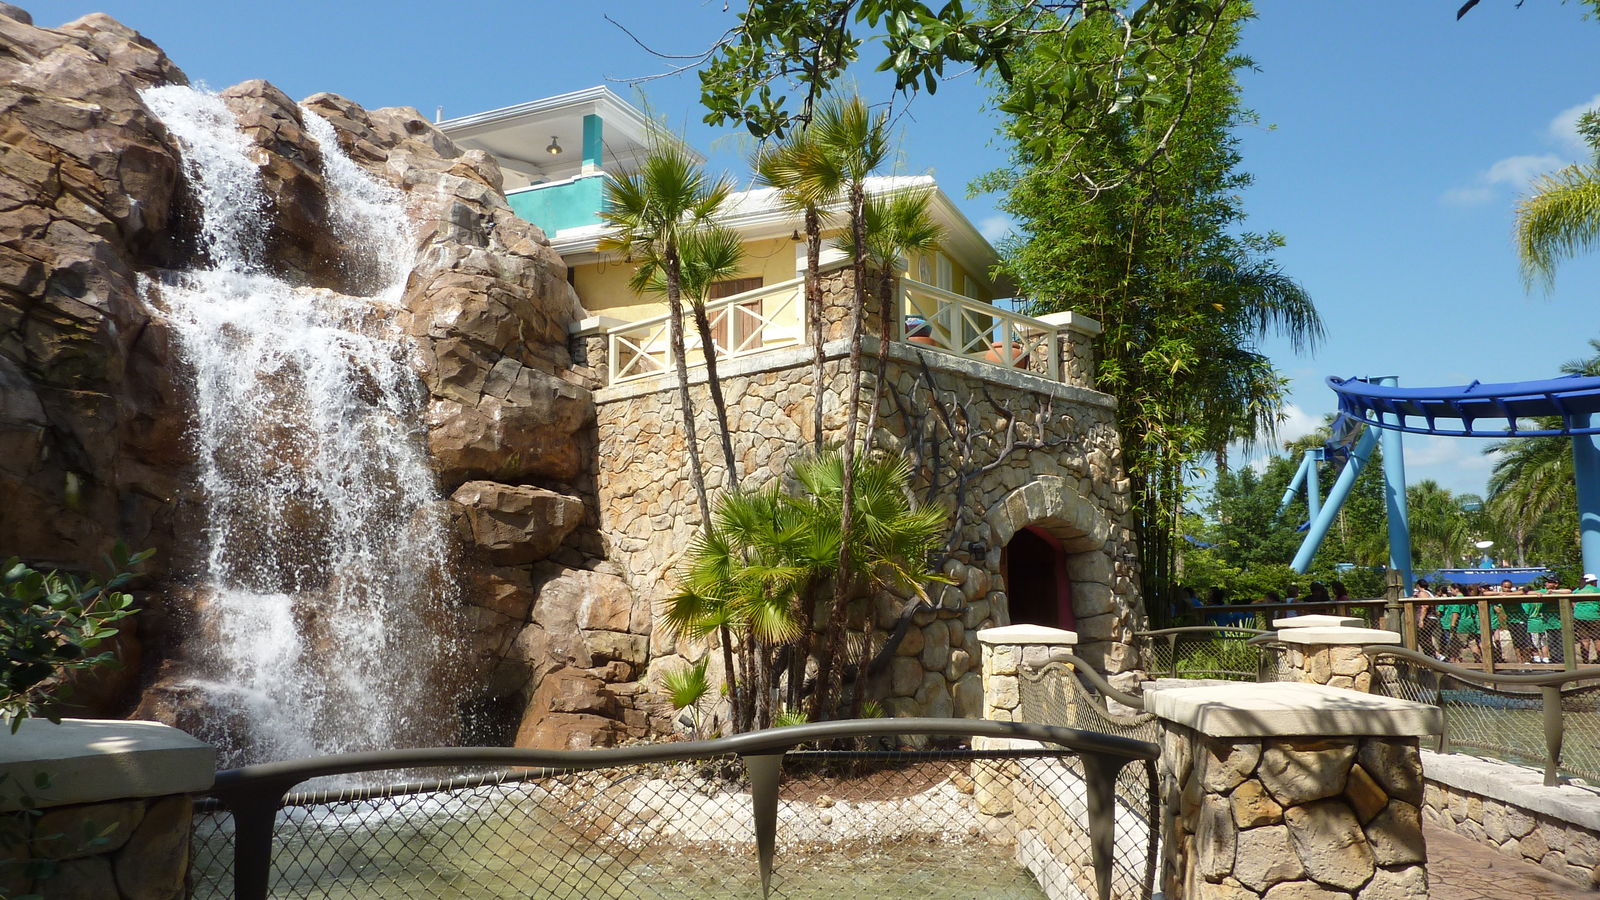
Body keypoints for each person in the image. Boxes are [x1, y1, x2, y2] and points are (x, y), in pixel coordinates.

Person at [1575, 573, 1600, 664]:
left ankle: (1585, 660)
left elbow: (1573, 601)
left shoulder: (1578, 591)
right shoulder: (1597, 590)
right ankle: (1599, 660)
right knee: (1597, 639)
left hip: (1579, 616)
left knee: (1584, 640)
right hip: (1594, 616)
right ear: (1593, 582)